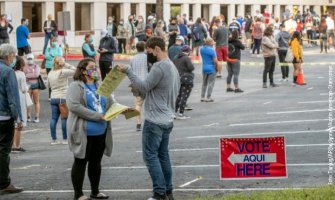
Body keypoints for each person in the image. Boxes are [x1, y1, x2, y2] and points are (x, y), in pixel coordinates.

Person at [117, 36, 180, 200]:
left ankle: (159, 192)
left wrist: (128, 71)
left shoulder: (159, 67)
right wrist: (139, 89)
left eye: (149, 51)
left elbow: (145, 86)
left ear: (157, 49)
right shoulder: (172, 66)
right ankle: (168, 191)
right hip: (167, 118)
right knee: (163, 156)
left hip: (155, 120)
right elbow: (153, 89)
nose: (148, 55)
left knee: (150, 156)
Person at [67, 57, 113, 200]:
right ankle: (78, 194)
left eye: (96, 67)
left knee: (96, 163)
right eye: (92, 67)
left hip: (101, 131)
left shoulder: (101, 85)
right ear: (83, 70)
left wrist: (119, 109)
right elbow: (74, 106)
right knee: (80, 162)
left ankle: (95, 191)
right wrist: (97, 116)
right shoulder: (76, 86)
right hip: (84, 131)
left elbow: (110, 102)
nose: (95, 70)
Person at [0, 44, 23, 195]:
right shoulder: (8, 71)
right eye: (14, 56)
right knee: (3, 151)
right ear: (9, 56)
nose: (14, 59)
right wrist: (18, 118)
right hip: (4, 116)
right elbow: (13, 97)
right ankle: (4, 183)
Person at [48, 57, 76, 145]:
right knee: (64, 118)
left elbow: (48, 85)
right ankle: (65, 139)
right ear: (61, 63)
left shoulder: (50, 73)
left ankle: (54, 139)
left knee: (53, 118)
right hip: (62, 97)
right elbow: (75, 70)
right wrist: (65, 65)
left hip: (53, 97)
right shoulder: (62, 72)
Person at [129, 41, 148, 131]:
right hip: (147, 82)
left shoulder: (132, 58)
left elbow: (131, 71)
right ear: (144, 48)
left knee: (138, 104)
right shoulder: (147, 58)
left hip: (136, 83)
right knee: (149, 103)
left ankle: (138, 123)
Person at [173, 45, 194, 119]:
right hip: (187, 78)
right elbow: (191, 68)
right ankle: (181, 113)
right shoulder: (186, 58)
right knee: (184, 96)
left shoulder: (176, 57)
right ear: (188, 52)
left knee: (178, 95)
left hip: (178, 78)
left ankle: (174, 112)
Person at [12, 56, 28, 152]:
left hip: (10, 97)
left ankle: (11, 144)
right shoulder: (21, 74)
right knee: (19, 123)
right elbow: (23, 89)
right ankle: (17, 145)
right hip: (20, 97)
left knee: (12, 123)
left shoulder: (9, 72)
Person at [200, 38, 220, 102]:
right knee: (211, 83)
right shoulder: (212, 50)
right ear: (210, 43)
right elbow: (215, 61)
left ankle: (202, 97)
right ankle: (208, 97)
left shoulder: (202, 49)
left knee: (204, 83)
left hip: (204, 67)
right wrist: (217, 68)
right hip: (211, 68)